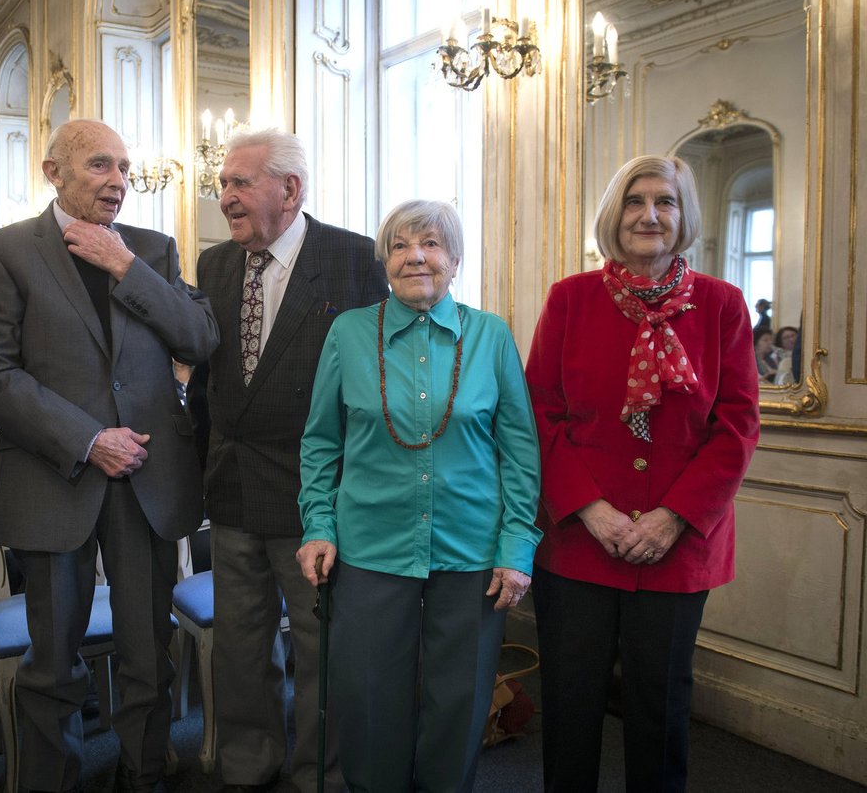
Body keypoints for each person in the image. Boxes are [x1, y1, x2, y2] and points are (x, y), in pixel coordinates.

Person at [0, 119, 218, 793]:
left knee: (148, 654)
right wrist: (88, 439)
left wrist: (126, 269)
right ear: (54, 173)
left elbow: (198, 337)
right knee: (52, 665)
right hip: (57, 476)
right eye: (100, 166)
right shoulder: (5, 251)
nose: (117, 182)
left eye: (125, 169)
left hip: (147, 478)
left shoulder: (153, 250)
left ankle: (145, 775)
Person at [525, 154, 759, 792]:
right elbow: (540, 415)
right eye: (634, 201)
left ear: (684, 217)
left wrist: (673, 518)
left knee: (660, 708)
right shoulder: (569, 299)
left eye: (665, 201)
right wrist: (590, 510)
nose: (649, 215)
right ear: (614, 214)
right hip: (578, 541)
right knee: (570, 703)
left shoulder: (723, 305)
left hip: (678, 547)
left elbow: (736, 426)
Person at [295, 199, 542, 791]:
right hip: (370, 547)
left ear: (454, 259)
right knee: (369, 696)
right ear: (384, 261)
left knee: (460, 701)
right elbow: (321, 443)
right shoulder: (349, 332)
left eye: (430, 243)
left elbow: (520, 452)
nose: (416, 257)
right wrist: (318, 525)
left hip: (472, 550)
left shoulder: (491, 336)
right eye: (401, 246)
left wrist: (517, 546)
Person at [193, 127, 389, 793]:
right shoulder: (215, 266)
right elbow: (207, 383)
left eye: (239, 182)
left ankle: (320, 777)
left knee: (320, 650)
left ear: (290, 188)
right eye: (223, 183)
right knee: (241, 647)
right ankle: (249, 765)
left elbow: (379, 385)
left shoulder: (357, 260)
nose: (225, 196)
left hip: (320, 501)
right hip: (232, 488)